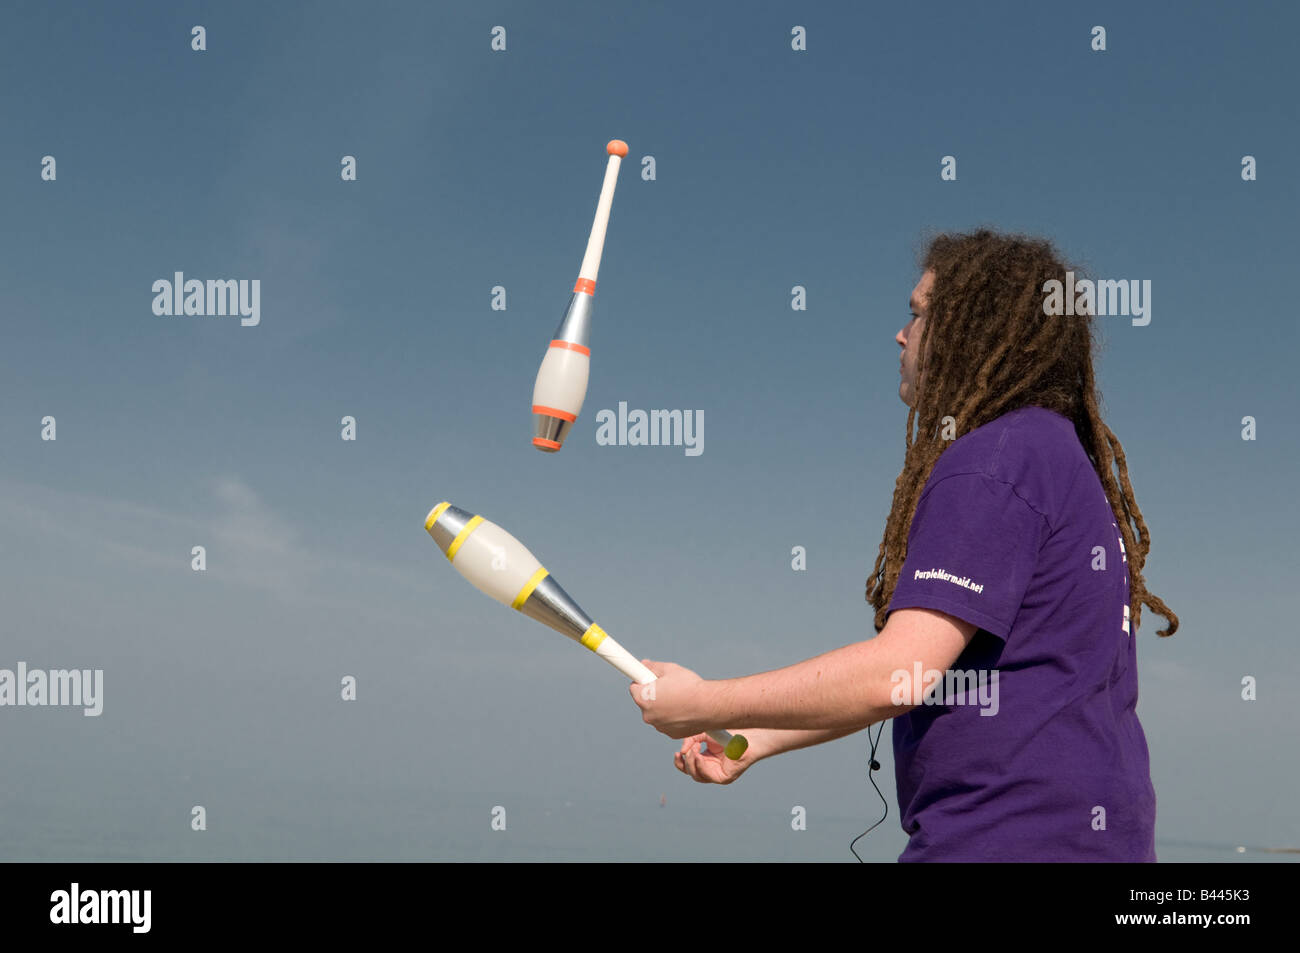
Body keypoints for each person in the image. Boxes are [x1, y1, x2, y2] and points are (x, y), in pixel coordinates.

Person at [629, 229, 1179, 862]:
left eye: (918, 314)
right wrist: (753, 738)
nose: (900, 333)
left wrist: (703, 699)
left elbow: (898, 674)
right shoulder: (1058, 461)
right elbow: (941, 679)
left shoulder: (994, 461)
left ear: (972, 331)